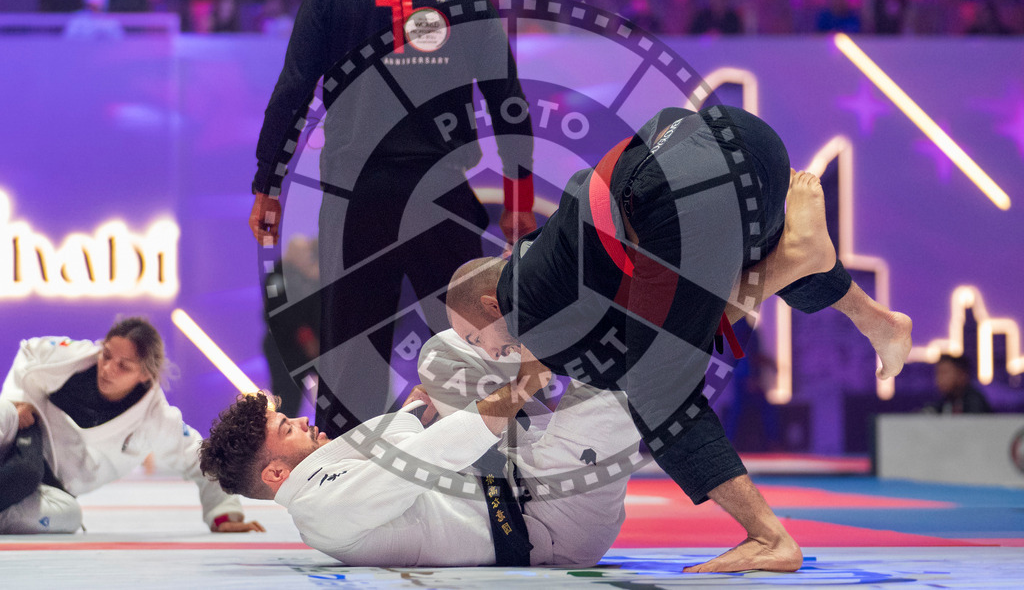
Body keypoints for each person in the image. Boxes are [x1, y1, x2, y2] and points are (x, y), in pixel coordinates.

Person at [445, 105, 913, 572]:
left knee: (655, 390)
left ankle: (769, 538)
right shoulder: (542, 255)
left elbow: (634, 373)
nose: (488, 351)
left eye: (474, 337)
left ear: (491, 304)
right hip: (745, 144)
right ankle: (879, 321)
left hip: (681, 196)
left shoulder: (524, 305)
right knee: (705, 294)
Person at [249, 0, 536, 437]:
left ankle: (343, 485)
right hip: (443, 194)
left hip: (357, 197)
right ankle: (501, 480)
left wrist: (268, 187)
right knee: (474, 343)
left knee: (350, 353)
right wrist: (520, 197)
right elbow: (508, 102)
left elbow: (292, 92)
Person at [199, 336, 642, 567]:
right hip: (552, 520)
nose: (300, 420)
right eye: (285, 428)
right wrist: (525, 382)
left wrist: (418, 406)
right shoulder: (322, 509)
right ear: (275, 473)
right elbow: (424, 458)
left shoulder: (324, 470)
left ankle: (546, 327)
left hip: (514, 467)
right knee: (623, 364)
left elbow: (401, 438)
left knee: (441, 354)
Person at [0, 317, 264, 534]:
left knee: (69, 517)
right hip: (17, 437)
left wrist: (224, 513)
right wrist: (18, 400)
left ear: (146, 374)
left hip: (50, 485)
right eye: (106, 355)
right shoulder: (71, 357)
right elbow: (30, 349)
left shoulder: (156, 419)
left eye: (123, 366)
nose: (107, 369)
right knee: (4, 411)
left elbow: (202, 459)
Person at [262, 235, 321, 417]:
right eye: (303, 254)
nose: (306, 258)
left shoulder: (306, 277)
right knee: (287, 400)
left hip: (306, 350)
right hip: (285, 350)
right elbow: (280, 312)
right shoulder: (278, 277)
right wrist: (306, 338)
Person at [924, 353, 993, 414]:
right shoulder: (943, 402)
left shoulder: (975, 402)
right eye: (938, 374)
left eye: (944, 373)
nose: (939, 379)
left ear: (962, 375)